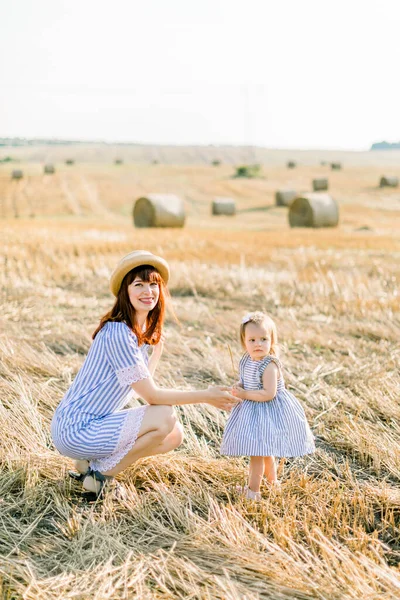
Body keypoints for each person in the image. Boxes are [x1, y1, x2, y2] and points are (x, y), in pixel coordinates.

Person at [51, 250, 240, 498]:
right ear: (125, 292)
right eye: (138, 284)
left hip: (91, 425)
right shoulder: (118, 333)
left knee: (173, 435)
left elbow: (138, 387)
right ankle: (100, 476)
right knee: (164, 415)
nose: (147, 291)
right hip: (76, 429)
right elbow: (152, 396)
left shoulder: (135, 333)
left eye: (153, 284)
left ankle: (88, 464)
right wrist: (206, 395)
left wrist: (156, 352)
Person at [220, 311, 315, 500]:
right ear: (244, 342)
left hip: (269, 411)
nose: (258, 344)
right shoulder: (247, 360)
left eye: (264, 339)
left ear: (272, 341)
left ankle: (253, 492)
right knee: (265, 451)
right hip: (254, 411)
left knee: (257, 453)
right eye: (252, 340)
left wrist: (245, 394)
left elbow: (268, 394)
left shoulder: (270, 366)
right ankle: (273, 484)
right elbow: (245, 381)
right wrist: (239, 387)